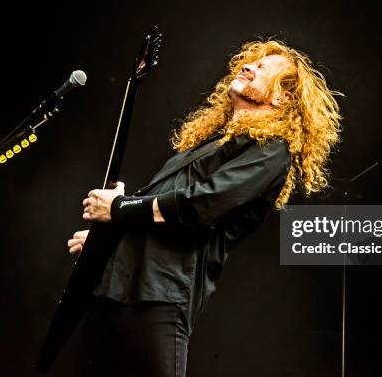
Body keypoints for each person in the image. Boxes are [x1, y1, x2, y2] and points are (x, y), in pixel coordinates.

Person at [67, 40, 342, 377]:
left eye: (263, 68)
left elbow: (200, 204)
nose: (248, 67)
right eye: (250, 62)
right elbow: (157, 210)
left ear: (282, 97)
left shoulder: (271, 151)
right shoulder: (208, 144)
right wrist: (110, 239)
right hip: (112, 290)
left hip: (159, 296)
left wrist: (121, 208)